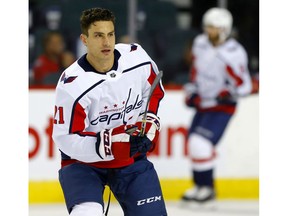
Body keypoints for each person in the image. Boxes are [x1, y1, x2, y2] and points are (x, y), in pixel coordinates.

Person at [52, 8, 167, 216]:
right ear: (84, 39)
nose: (106, 43)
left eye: (110, 34)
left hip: (131, 159)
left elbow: (154, 91)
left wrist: (150, 122)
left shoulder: (137, 58)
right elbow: (65, 138)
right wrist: (109, 145)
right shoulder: (72, 84)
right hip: (84, 164)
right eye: (98, 36)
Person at [181, 7, 253, 204]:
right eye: (208, 27)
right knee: (194, 145)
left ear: (224, 29)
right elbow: (195, 70)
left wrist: (228, 94)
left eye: (214, 27)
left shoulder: (234, 53)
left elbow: (244, 85)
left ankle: (207, 189)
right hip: (204, 103)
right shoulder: (200, 43)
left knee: (200, 143)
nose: (209, 31)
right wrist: (192, 91)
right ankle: (199, 186)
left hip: (222, 107)